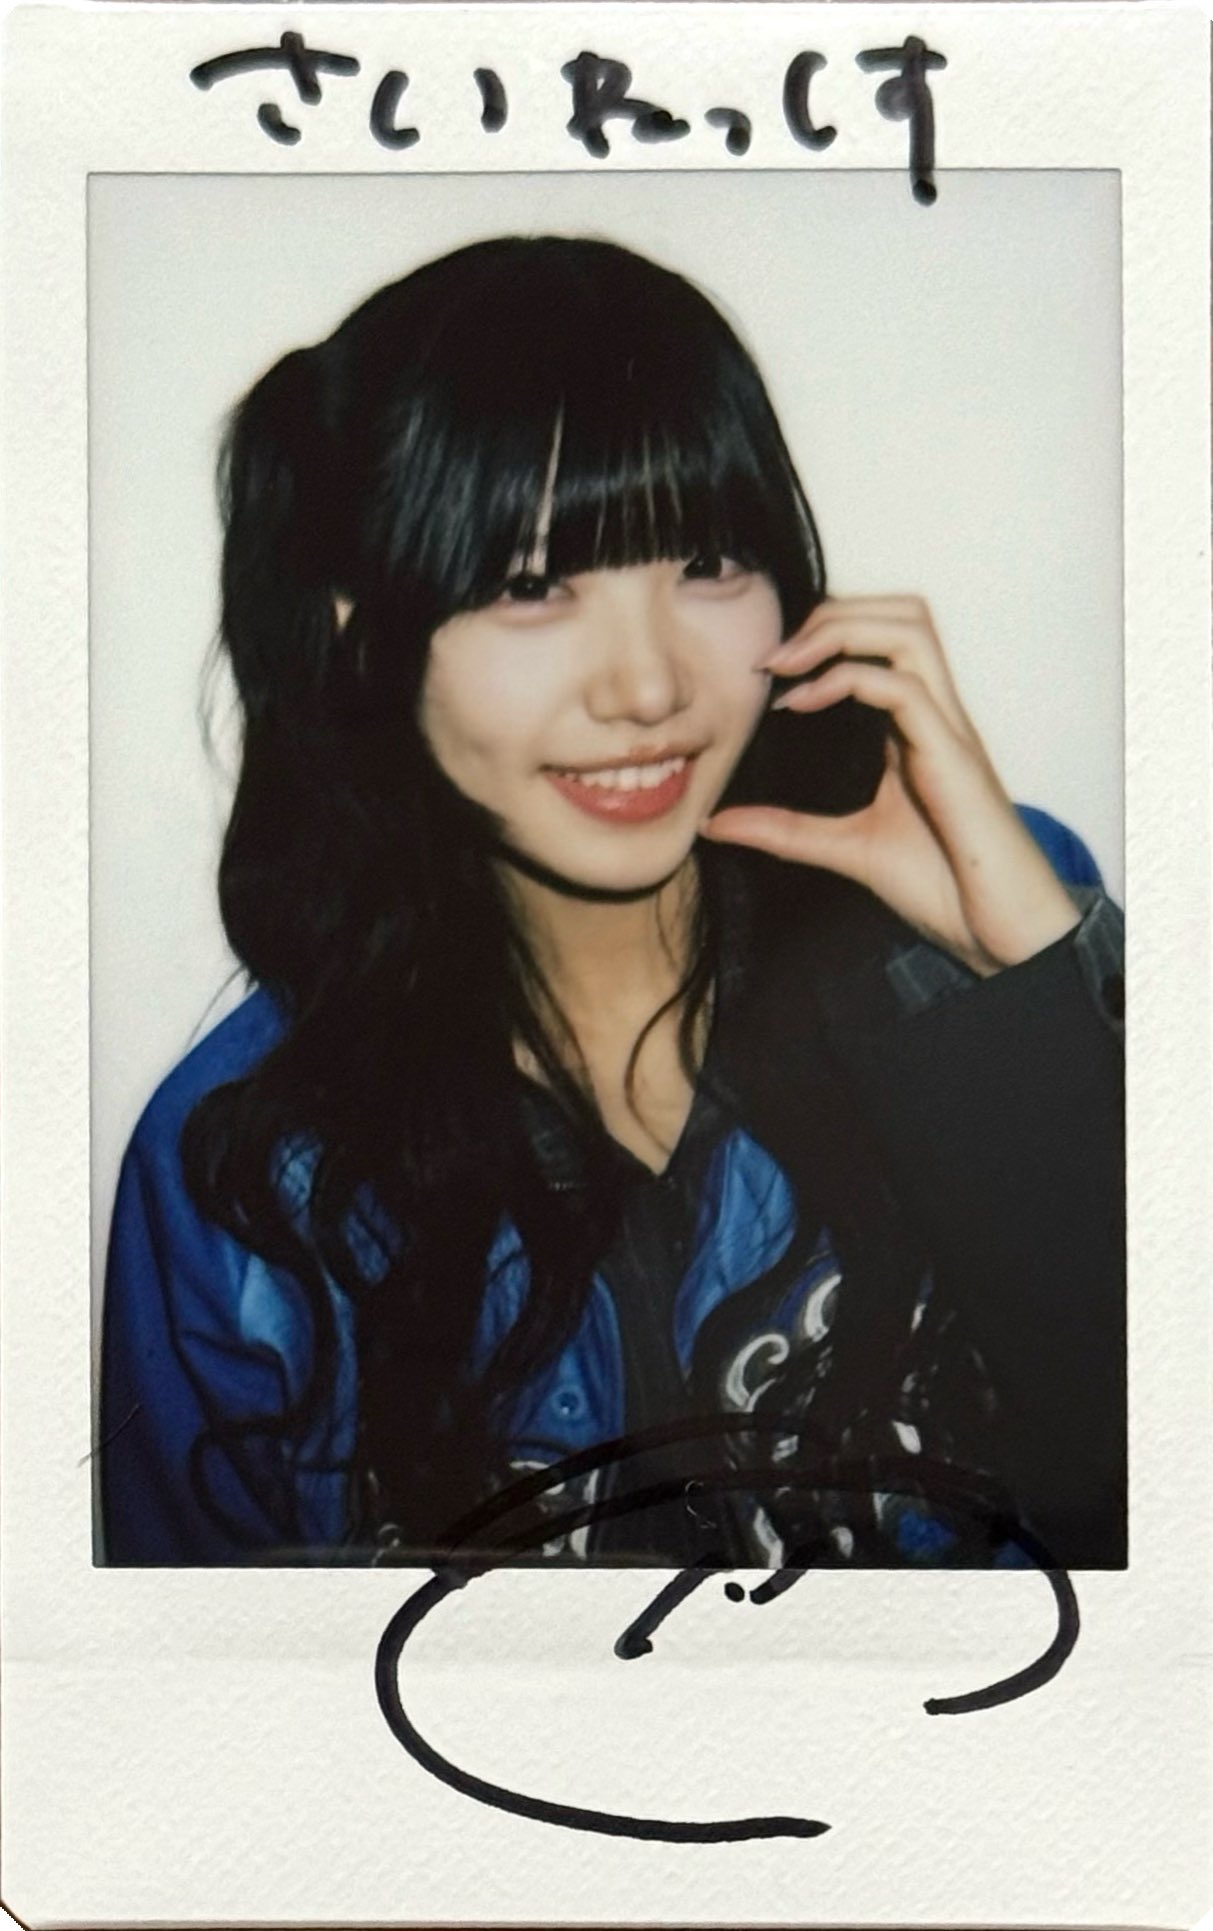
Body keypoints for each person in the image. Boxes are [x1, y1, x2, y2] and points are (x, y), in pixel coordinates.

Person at [99, 234, 1125, 1572]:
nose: (648, 687)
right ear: (364, 636)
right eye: (532, 587)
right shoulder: (247, 1169)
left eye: (707, 564)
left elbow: (1158, 1547)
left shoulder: (977, 938)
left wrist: (1035, 991)